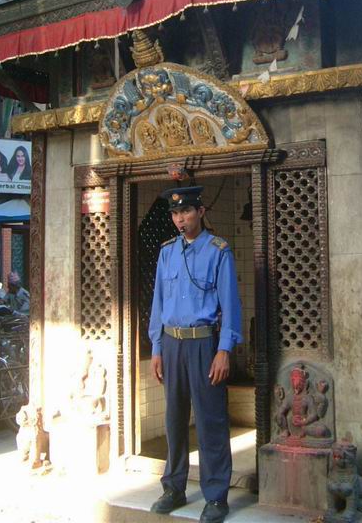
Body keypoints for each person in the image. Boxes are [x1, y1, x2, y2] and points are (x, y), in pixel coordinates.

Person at [148, 186, 242, 523]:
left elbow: (230, 304)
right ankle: (174, 488)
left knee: (210, 421)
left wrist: (224, 350)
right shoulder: (167, 252)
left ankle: (216, 496)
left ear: (200, 212)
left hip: (204, 344)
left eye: (186, 211)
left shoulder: (218, 251)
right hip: (171, 343)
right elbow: (158, 303)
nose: (180, 219)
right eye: (175, 213)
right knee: (174, 420)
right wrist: (156, 347)